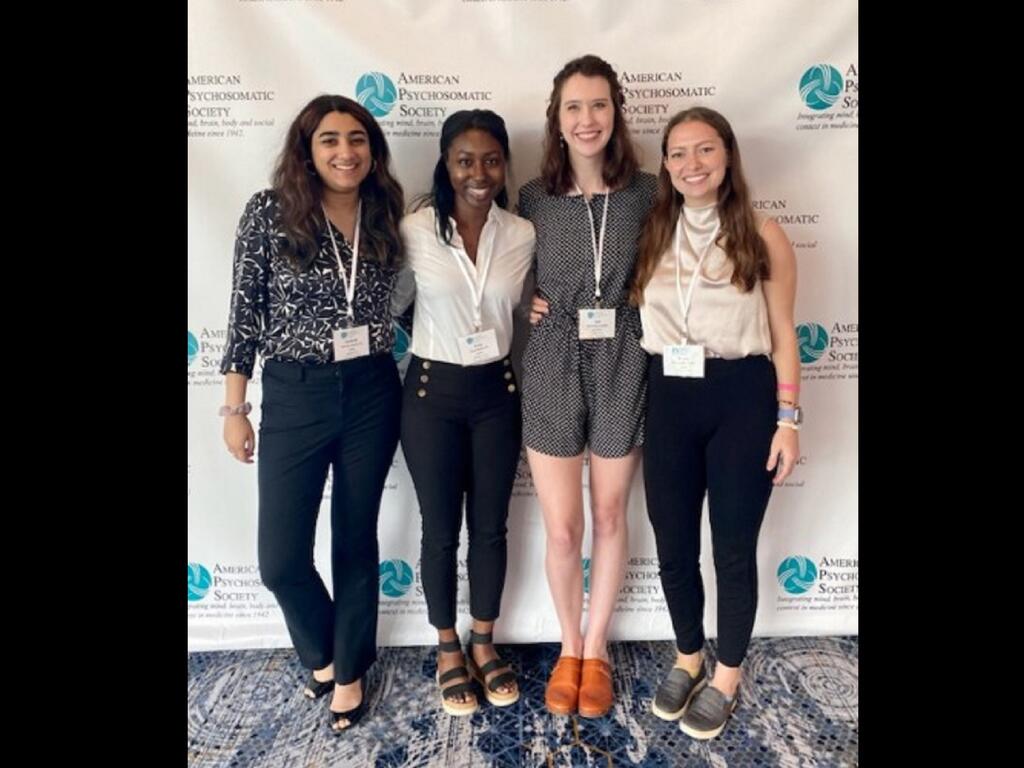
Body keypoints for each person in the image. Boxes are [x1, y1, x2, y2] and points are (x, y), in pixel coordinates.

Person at [220, 94, 405, 733]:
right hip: (295, 393)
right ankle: (323, 652)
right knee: (280, 560)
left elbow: (413, 299)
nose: (345, 152)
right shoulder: (271, 213)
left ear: (372, 150)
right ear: (308, 149)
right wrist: (234, 405)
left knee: (356, 540)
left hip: (374, 390)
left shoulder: (387, 213)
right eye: (329, 139)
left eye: (357, 139)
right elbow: (244, 311)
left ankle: (349, 674)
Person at [631, 106, 801, 739]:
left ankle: (726, 674)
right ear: (666, 164)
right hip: (670, 393)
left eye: (704, 150)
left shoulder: (763, 231)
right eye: (678, 153)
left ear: (727, 157)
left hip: (742, 397)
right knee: (672, 544)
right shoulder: (653, 227)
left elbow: (784, 332)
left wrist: (789, 420)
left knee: (731, 548)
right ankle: (687, 655)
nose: (691, 164)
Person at [519, 54, 657, 718]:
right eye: (573, 106)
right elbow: (502, 275)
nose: (586, 118)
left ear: (615, 112)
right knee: (564, 526)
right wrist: (525, 305)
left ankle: (596, 650)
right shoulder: (531, 196)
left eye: (598, 104)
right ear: (557, 117)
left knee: (608, 515)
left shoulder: (647, 192)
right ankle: (567, 647)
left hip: (624, 355)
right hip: (551, 358)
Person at [392, 109, 535, 716]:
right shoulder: (414, 230)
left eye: (491, 159)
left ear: (504, 165)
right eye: (465, 160)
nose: (479, 173)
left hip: (496, 396)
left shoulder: (523, 233)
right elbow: (396, 305)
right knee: (439, 527)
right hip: (430, 396)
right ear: (447, 164)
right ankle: (447, 646)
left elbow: (529, 303)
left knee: (492, 527)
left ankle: (483, 641)